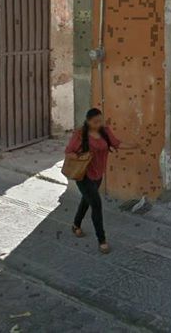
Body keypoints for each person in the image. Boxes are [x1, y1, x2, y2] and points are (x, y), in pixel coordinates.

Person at [65, 107, 134, 253]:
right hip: (83, 175)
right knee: (96, 205)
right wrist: (80, 156)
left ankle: (76, 225)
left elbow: (116, 143)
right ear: (88, 121)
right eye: (95, 122)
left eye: (100, 121)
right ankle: (102, 240)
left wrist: (134, 146)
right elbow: (68, 152)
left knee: (86, 200)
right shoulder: (80, 134)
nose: (99, 124)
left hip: (98, 175)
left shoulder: (105, 131)